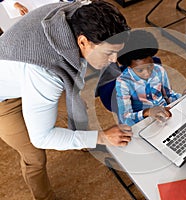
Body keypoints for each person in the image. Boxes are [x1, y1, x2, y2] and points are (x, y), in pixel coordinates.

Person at [0, 1, 132, 200]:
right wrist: (101, 137)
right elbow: (42, 137)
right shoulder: (47, 72)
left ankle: (82, 141)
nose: (114, 59)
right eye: (108, 53)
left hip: (24, 73)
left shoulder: (73, 11)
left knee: (79, 107)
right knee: (35, 155)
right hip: (5, 99)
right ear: (82, 42)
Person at [115, 30, 186, 126]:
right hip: (144, 123)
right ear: (129, 67)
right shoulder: (123, 82)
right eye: (140, 70)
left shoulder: (159, 71)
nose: (147, 73)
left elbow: (168, 96)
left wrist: (183, 97)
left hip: (165, 115)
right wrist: (148, 112)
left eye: (150, 66)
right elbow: (125, 118)